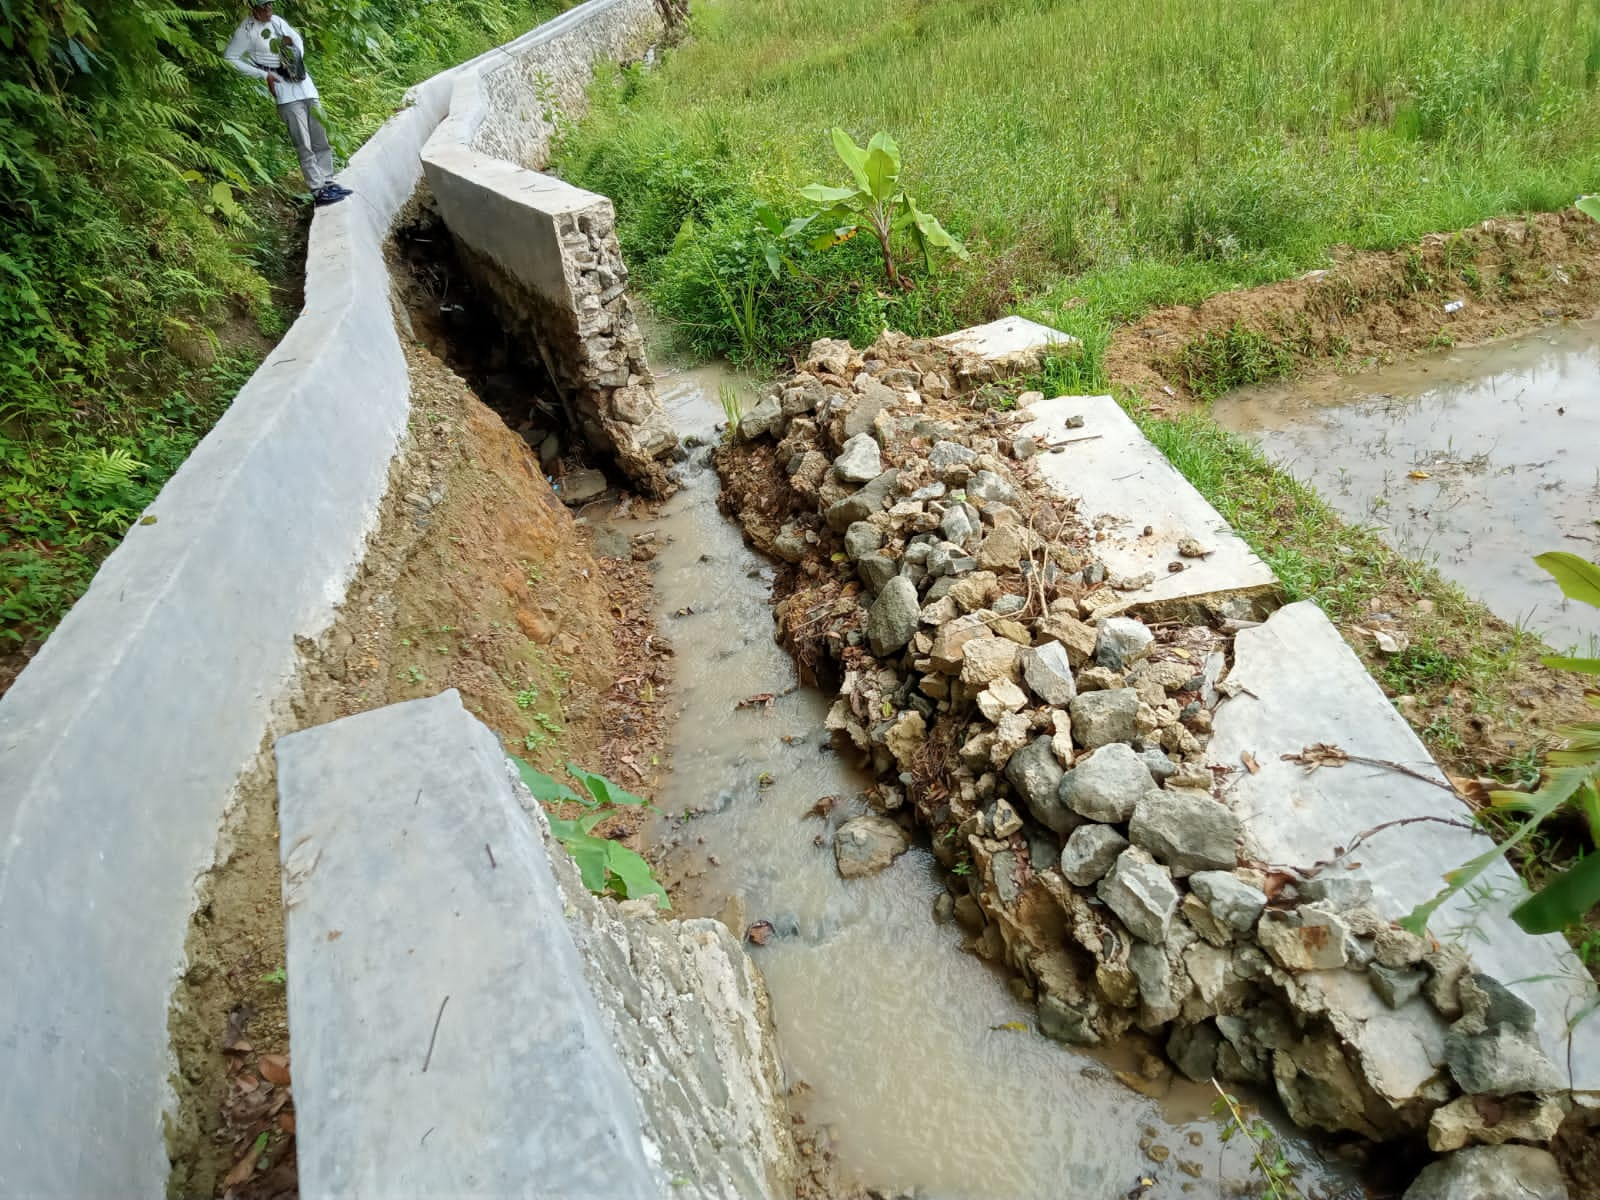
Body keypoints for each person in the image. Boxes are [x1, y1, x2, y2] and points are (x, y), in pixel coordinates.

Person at [224, 0, 351, 207]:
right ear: (253, 8)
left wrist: (293, 49)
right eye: (263, 7)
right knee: (303, 141)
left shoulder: (277, 22)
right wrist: (263, 75)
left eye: (270, 5)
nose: (268, 10)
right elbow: (230, 57)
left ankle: (328, 181)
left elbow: (297, 39)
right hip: (284, 89)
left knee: (320, 135)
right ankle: (317, 189)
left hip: (304, 84)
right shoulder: (246, 30)